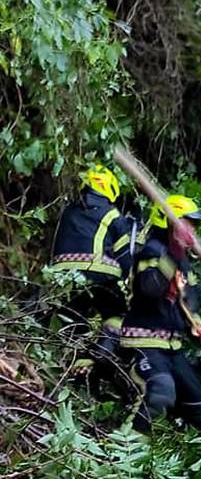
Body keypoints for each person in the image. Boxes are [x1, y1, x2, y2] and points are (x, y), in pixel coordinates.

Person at [119, 195, 201, 433]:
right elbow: (150, 288)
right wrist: (172, 253)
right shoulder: (151, 251)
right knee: (160, 392)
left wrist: (199, 327)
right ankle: (123, 454)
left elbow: (189, 304)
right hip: (143, 342)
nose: (191, 230)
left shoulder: (184, 264)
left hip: (173, 348)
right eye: (187, 223)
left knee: (200, 407)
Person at [50, 164, 135, 387]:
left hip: (62, 277)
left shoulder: (68, 211)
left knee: (75, 322)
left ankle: (75, 371)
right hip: (98, 274)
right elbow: (125, 256)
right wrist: (131, 279)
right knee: (117, 313)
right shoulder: (112, 214)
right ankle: (103, 350)